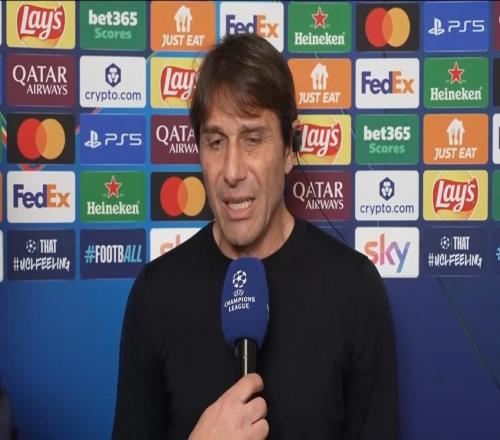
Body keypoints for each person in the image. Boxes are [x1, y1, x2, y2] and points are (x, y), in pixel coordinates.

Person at [112, 33, 398, 440]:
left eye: (252, 139)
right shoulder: (154, 294)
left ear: (289, 148)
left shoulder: (354, 289)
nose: (232, 171)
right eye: (216, 142)